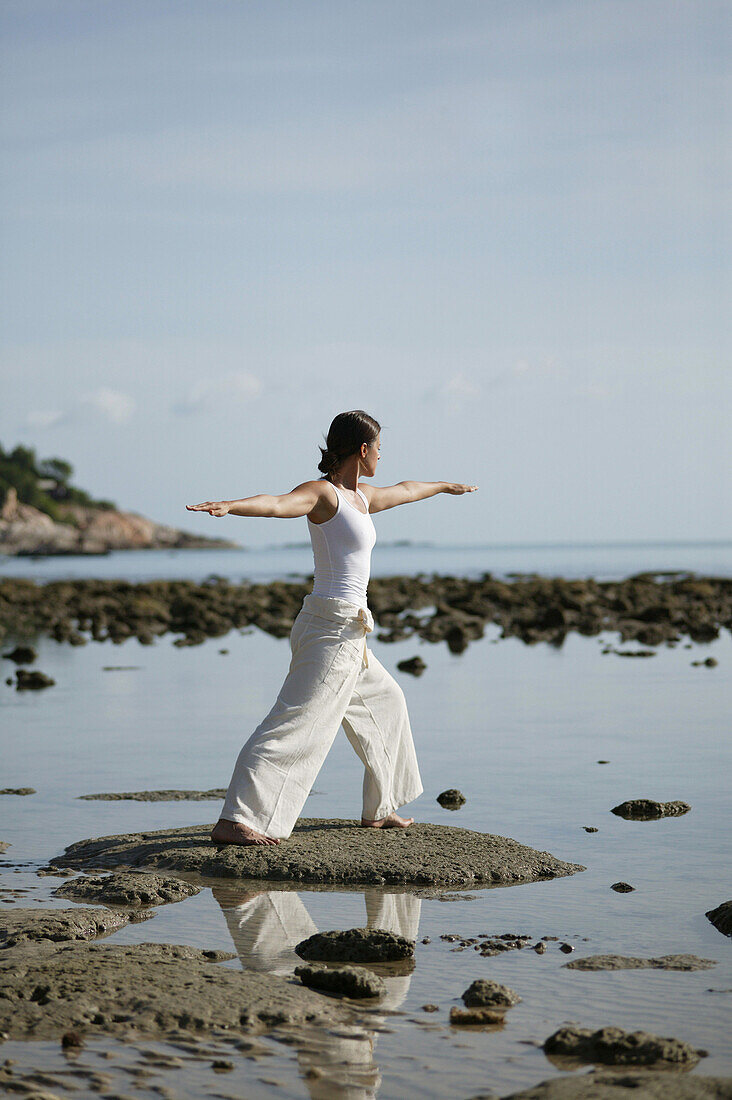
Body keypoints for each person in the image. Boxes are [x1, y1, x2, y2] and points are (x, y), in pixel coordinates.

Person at [186, 410, 478, 847]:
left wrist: (443, 487)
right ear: (363, 450)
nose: (382, 456)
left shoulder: (361, 498)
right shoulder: (323, 494)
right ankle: (237, 818)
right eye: (379, 448)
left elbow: (406, 490)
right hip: (331, 628)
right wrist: (232, 506)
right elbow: (278, 503)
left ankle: (381, 809)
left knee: (387, 703)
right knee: (297, 721)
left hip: (351, 630)